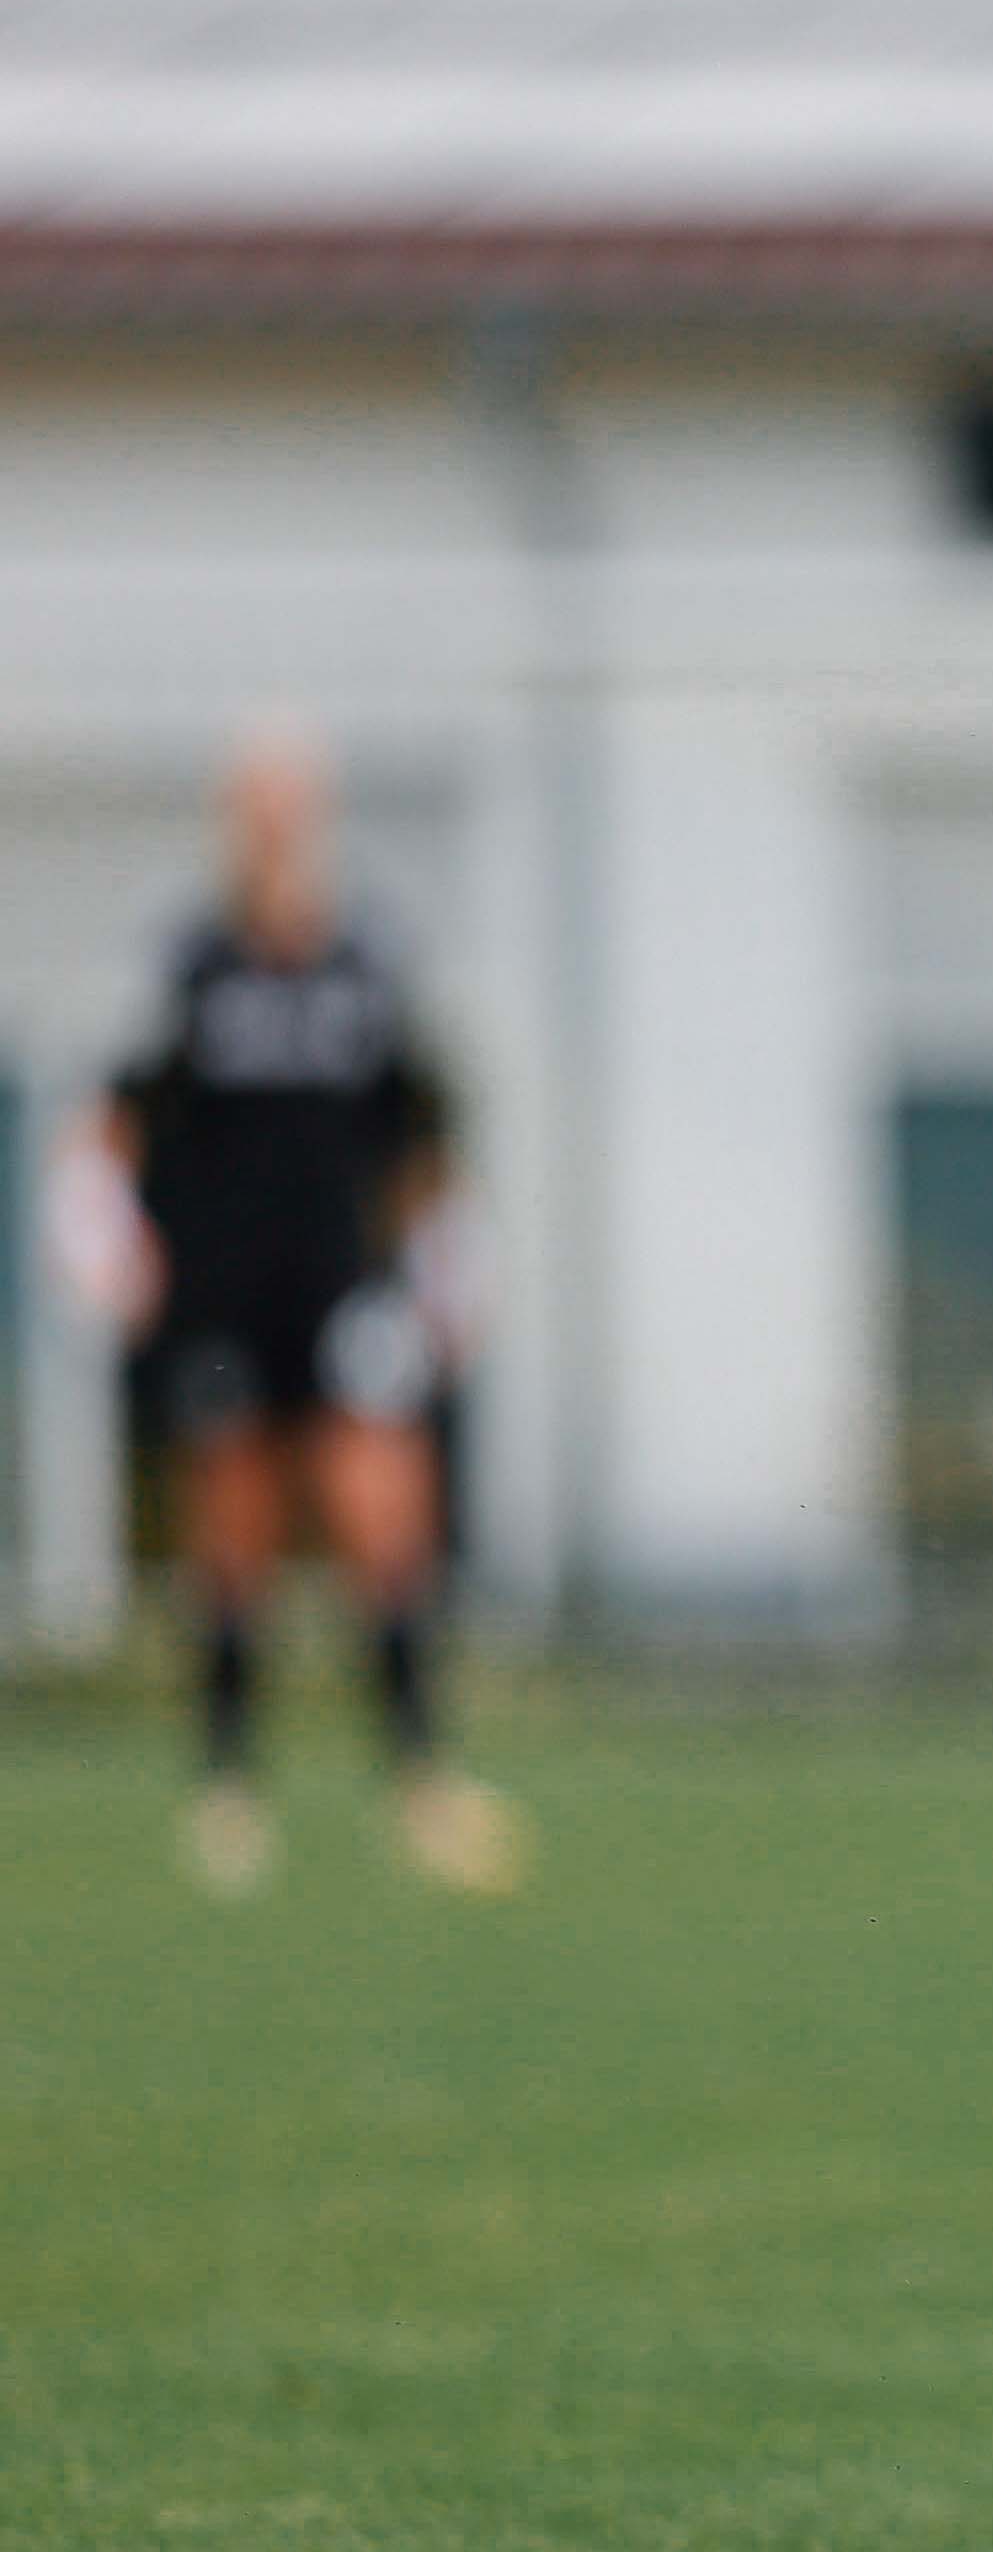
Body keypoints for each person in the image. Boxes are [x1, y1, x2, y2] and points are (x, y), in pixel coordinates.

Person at [102, 728, 518, 1900]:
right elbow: (125, 1120)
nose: (276, 823)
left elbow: (421, 1137)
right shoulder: (200, 967)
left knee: (385, 1518)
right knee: (233, 1539)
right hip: (226, 1291)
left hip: (345, 1286)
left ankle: (423, 1781)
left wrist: (451, 1269)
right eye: (257, 803)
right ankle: (229, 1790)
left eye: (293, 802)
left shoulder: (366, 962)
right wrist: (111, 1242)